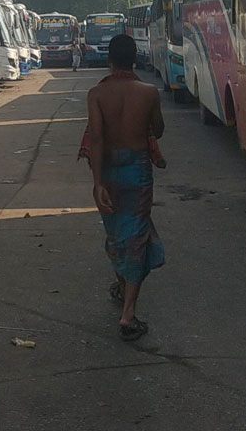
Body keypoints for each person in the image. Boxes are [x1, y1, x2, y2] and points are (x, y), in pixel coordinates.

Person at [84, 34, 165, 341]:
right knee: (137, 234)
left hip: (108, 170)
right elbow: (158, 130)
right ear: (135, 59)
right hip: (137, 170)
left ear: (109, 60)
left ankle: (122, 287)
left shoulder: (97, 94)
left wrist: (97, 183)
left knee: (117, 232)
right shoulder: (148, 92)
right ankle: (128, 313)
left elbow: (96, 139)